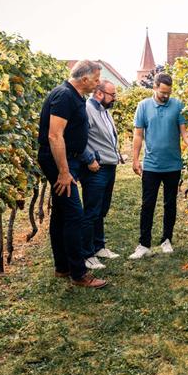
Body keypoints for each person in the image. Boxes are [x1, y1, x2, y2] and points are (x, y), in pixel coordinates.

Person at [37, 60, 107, 288]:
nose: (98, 84)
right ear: (84, 79)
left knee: (61, 212)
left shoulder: (74, 96)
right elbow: (54, 136)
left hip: (70, 160)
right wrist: (64, 172)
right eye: (96, 80)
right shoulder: (64, 96)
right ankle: (79, 274)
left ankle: (62, 266)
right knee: (75, 214)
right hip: (60, 162)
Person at [128, 73, 188, 259]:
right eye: (163, 92)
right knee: (147, 204)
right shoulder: (143, 106)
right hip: (151, 165)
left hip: (173, 165)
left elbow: (184, 133)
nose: (166, 96)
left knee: (170, 203)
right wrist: (135, 159)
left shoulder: (178, 106)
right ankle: (143, 244)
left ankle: (167, 239)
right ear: (155, 87)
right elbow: (138, 135)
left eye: (168, 92)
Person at [80, 79, 122, 270]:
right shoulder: (87, 109)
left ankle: (99, 246)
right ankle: (87, 255)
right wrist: (90, 159)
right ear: (99, 94)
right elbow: (77, 139)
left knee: (101, 210)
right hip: (96, 169)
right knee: (91, 212)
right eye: (111, 95)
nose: (114, 98)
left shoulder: (103, 111)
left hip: (108, 167)